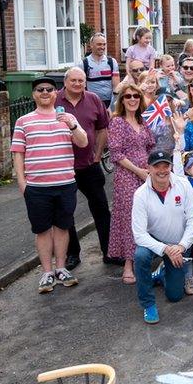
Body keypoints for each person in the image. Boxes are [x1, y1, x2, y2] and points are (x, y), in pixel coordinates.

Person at [12, 76, 88, 293]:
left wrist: (72, 125)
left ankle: (61, 268)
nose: (45, 92)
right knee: (42, 230)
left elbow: (83, 143)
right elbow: (18, 153)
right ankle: (47, 272)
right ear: (34, 94)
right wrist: (22, 182)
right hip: (37, 187)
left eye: (49, 89)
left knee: (63, 227)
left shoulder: (67, 117)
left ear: (56, 93)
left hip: (64, 183)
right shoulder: (23, 121)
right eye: (40, 89)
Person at [131, 150, 193, 324]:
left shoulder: (184, 185)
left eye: (166, 166)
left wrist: (182, 246)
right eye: (157, 166)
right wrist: (166, 249)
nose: (162, 170)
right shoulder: (140, 194)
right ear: (148, 168)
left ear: (171, 167)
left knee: (175, 296)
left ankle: (162, 274)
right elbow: (139, 235)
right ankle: (148, 304)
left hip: (177, 244)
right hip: (153, 241)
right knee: (140, 256)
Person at [55, 68, 114, 269]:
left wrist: (97, 155)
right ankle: (73, 254)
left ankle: (109, 251)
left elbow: (102, 129)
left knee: (101, 209)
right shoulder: (54, 101)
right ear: (65, 82)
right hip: (63, 168)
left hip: (89, 165)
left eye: (81, 80)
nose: (78, 84)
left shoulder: (94, 99)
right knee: (66, 212)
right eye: (74, 80)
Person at [108, 83, 155, 284]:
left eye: (136, 95)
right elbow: (116, 154)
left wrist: (150, 170)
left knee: (147, 216)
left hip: (146, 173)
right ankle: (128, 264)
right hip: (128, 176)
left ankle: (142, 261)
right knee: (129, 218)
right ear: (122, 100)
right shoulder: (117, 122)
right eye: (128, 96)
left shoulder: (142, 121)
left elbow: (151, 145)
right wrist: (138, 171)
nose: (133, 99)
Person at [81, 32, 120, 107]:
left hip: (109, 103)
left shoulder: (112, 62)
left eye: (104, 44)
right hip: (91, 103)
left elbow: (116, 87)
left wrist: (111, 106)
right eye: (99, 44)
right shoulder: (83, 63)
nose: (102, 47)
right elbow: (81, 87)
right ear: (91, 45)